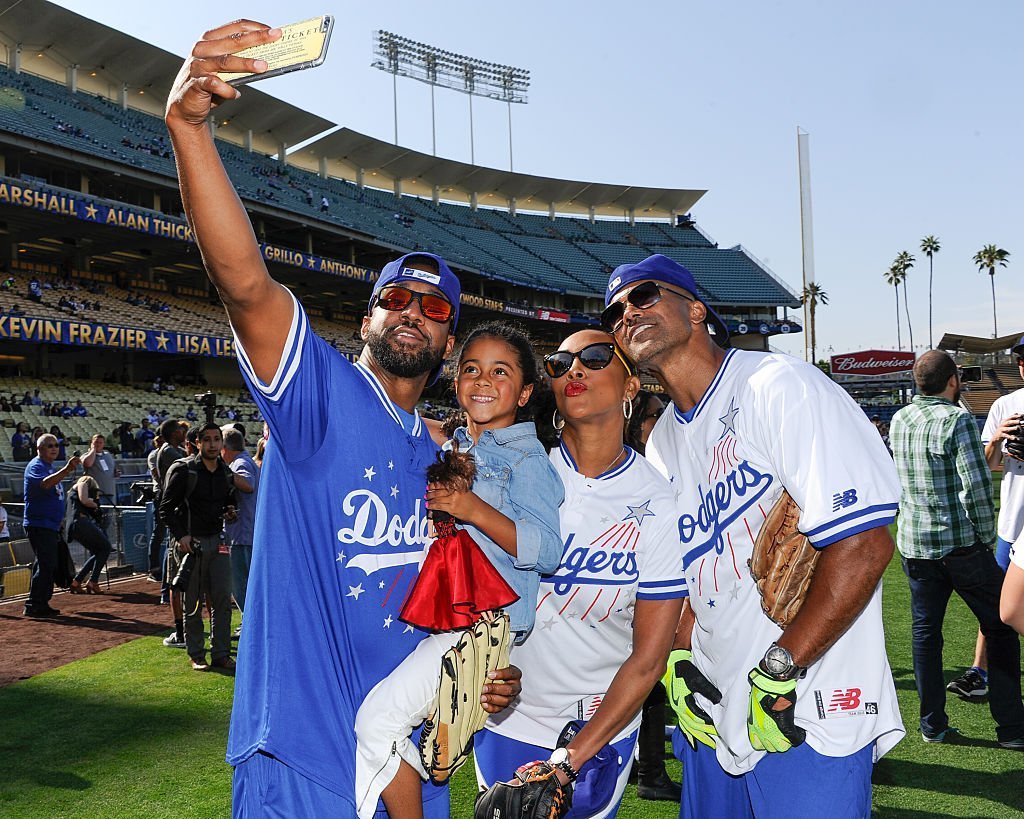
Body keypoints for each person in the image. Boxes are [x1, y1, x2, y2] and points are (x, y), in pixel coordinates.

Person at [166, 25, 522, 818]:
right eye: (394, 298)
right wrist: (190, 129)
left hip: (408, 771)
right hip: (306, 760)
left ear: (448, 339)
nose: (411, 313)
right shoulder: (316, 397)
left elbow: (437, 618)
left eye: (434, 308)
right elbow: (247, 285)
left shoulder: (435, 456)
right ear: (365, 317)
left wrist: (483, 676)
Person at [604, 254, 904, 817]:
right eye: (616, 311)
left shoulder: (778, 384)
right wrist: (678, 660)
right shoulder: (664, 437)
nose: (627, 313)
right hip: (714, 711)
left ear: (696, 309)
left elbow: (865, 542)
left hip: (802, 702)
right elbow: (693, 567)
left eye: (643, 296)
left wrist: (782, 666)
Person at [354, 321, 563, 819]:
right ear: (455, 380)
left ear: (527, 391)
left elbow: (547, 550)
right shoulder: (459, 447)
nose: (483, 380)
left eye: (500, 371)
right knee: (397, 731)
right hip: (454, 621)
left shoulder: (528, 459)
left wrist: (471, 508)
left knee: (377, 725)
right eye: (471, 369)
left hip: (484, 626)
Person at [475, 329, 686, 818]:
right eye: (559, 362)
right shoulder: (513, 476)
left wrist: (571, 759)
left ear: (632, 386)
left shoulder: (659, 502)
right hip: (506, 718)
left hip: (596, 732)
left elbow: (649, 659)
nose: (575, 370)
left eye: (594, 358)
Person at [889, 350, 1024, 747]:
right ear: (952, 381)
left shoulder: (900, 418)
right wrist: (985, 538)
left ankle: (932, 725)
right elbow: (977, 486)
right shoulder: (958, 419)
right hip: (960, 546)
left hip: (915, 544)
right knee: (1000, 629)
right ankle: (1012, 729)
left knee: (925, 636)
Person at [622, 388, 679, 802]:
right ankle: (650, 773)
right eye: (653, 414)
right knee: (651, 686)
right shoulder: (634, 470)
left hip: (643, 598)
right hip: (629, 601)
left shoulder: (650, 463)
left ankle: (642, 768)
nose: (660, 421)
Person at [960, 337, 1024, 699]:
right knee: (997, 602)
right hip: (1013, 522)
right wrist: (997, 438)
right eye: (1020, 359)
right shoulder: (1005, 405)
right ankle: (979, 671)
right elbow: (989, 466)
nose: (1023, 364)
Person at [159, 423, 236, 671]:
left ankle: (221, 653)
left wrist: (230, 511)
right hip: (191, 545)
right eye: (208, 439)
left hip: (218, 543)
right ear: (197, 443)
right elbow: (165, 509)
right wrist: (182, 536)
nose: (213, 444)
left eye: (217, 439)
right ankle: (196, 654)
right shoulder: (184, 470)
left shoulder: (224, 471)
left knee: (223, 600)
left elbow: (228, 500)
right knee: (192, 603)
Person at [23, 434, 81, 617]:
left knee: (45, 564)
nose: (54, 448)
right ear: (39, 448)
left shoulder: (49, 467)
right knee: (47, 564)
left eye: (56, 445)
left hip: (50, 524)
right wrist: (67, 469)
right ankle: (35, 604)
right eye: (50, 445)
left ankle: (39, 603)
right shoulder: (36, 466)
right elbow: (45, 484)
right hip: (39, 524)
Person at [221, 426, 258, 626]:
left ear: (226, 447)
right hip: (245, 533)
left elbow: (248, 484)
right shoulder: (244, 460)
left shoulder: (240, 463)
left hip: (243, 535)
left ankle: (250, 623)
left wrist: (224, 471)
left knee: (241, 584)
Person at [67, 475, 113, 595]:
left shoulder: (72, 494)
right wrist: (95, 505)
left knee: (99, 551)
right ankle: (93, 581)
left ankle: (77, 581)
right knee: (106, 547)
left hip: (76, 525)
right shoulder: (83, 483)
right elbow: (85, 500)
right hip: (81, 522)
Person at [82, 434, 119, 539]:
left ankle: (104, 541)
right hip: (96, 494)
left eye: (100, 442)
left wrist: (116, 472)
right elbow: (88, 463)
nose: (98, 444)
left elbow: (112, 469)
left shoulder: (107, 455)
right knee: (97, 519)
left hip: (109, 492)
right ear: (91, 443)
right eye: (95, 442)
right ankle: (99, 542)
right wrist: (93, 450)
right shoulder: (86, 455)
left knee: (107, 521)